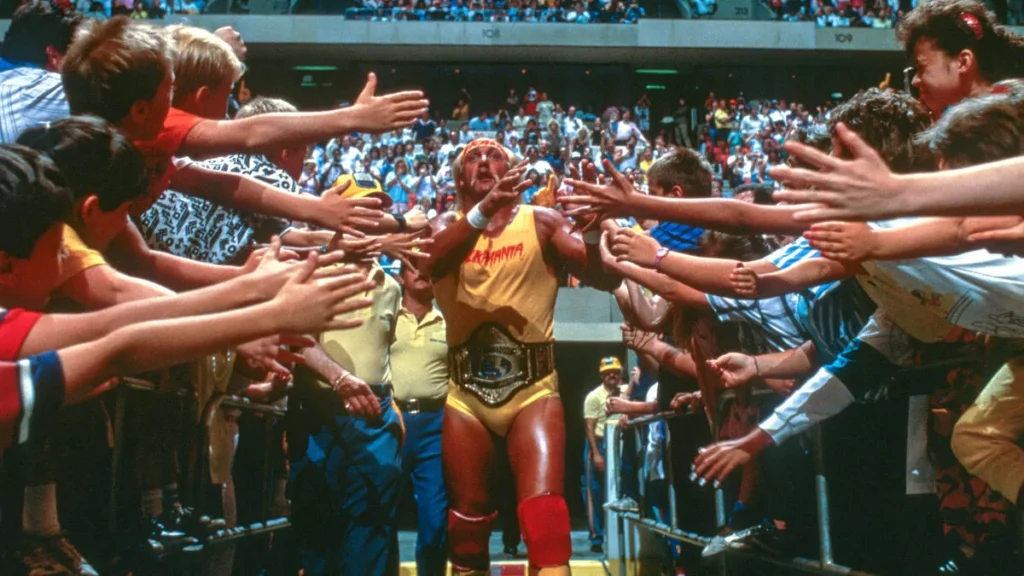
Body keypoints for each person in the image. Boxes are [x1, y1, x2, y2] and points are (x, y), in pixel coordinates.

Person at [419, 139, 620, 576]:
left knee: (546, 522)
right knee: (467, 529)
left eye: (494, 156)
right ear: (458, 178)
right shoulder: (443, 226)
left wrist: (592, 230)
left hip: (533, 389)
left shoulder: (542, 221)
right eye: (473, 157)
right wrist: (485, 209)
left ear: (513, 172)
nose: (484, 162)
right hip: (465, 394)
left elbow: (605, 278)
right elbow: (426, 265)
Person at [391, 262, 449, 576]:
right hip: (391, 422)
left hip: (435, 425)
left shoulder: (448, 321)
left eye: (428, 267)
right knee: (382, 513)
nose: (422, 272)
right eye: (413, 266)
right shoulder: (387, 317)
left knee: (435, 518)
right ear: (401, 276)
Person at [581, 356, 624, 554]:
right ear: (601, 375)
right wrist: (596, 455)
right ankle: (596, 536)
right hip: (599, 444)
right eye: (608, 373)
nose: (612, 375)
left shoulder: (625, 392)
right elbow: (589, 427)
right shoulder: (594, 396)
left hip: (620, 443)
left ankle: (618, 534)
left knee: (619, 491)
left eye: (615, 372)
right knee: (595, 491)